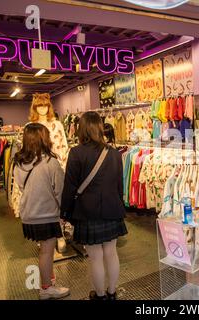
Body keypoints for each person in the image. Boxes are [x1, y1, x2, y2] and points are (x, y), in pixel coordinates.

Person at [61, 112, 127, 300]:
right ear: (100, 127)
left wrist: (64, 212)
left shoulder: (76, 153)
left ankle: (99, 296)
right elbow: (118, 184)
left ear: (81, 128)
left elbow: (70, 186)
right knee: (111, 253)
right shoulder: (114, 153)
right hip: (112, 209)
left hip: (86, 212)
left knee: (95, 257)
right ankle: (112, 292)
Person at [13, 123, 70, 300]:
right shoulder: (50, 162)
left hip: (29, 215)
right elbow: (60, 191)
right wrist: (65, 214)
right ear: (43, 139)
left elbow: (21, 187)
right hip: (46, 215)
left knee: (43, 251)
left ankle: (48, 280)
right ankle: (46, 288)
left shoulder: (19, 162)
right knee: (47, 252)